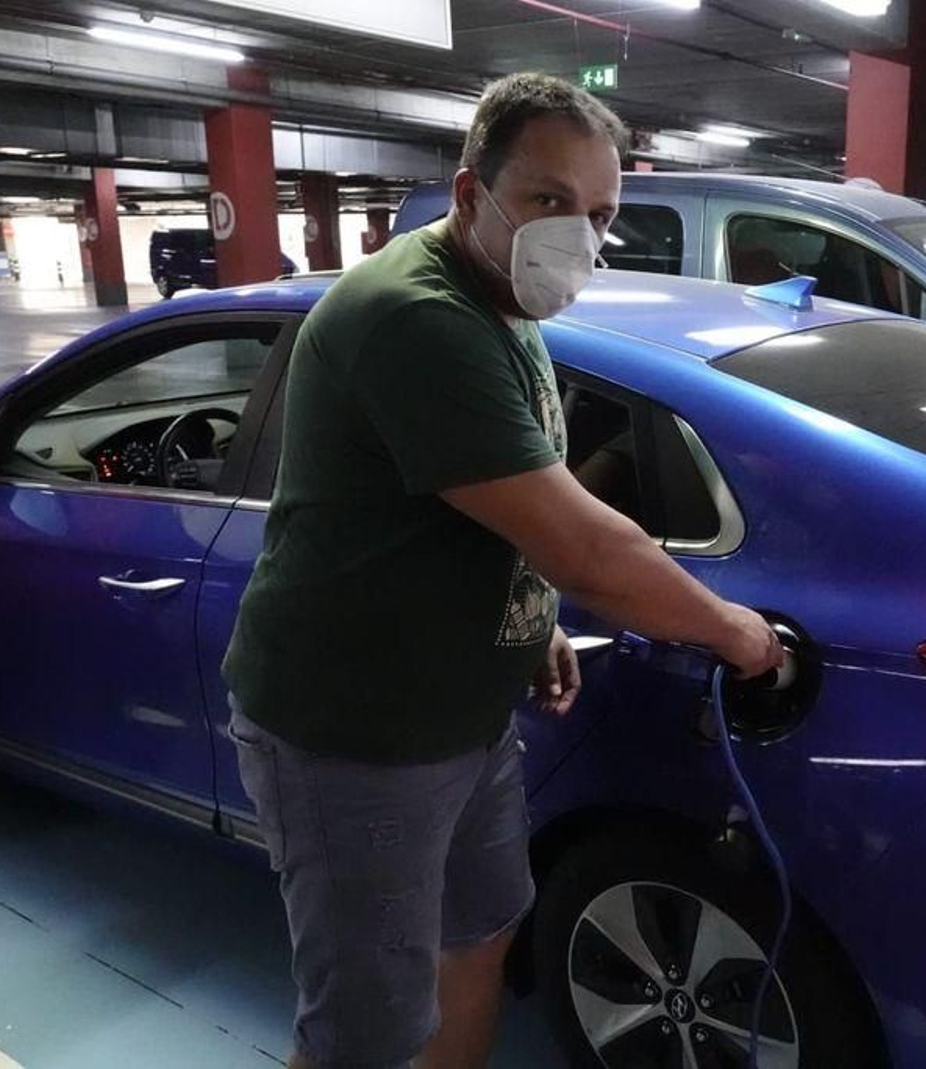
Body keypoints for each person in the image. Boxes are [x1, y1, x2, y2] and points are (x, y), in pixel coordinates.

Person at [222, 72, 783, 1069]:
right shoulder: (415, 317)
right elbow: (588, 548)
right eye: (549, 199)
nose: (578, 235)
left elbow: (496, 499)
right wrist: (739, 633)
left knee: (479, 937)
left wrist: (530, 619)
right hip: (354, 734)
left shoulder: (504, 301)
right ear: (470, 192)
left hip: (463, 722)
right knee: (365, 1025)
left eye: (599, 214)